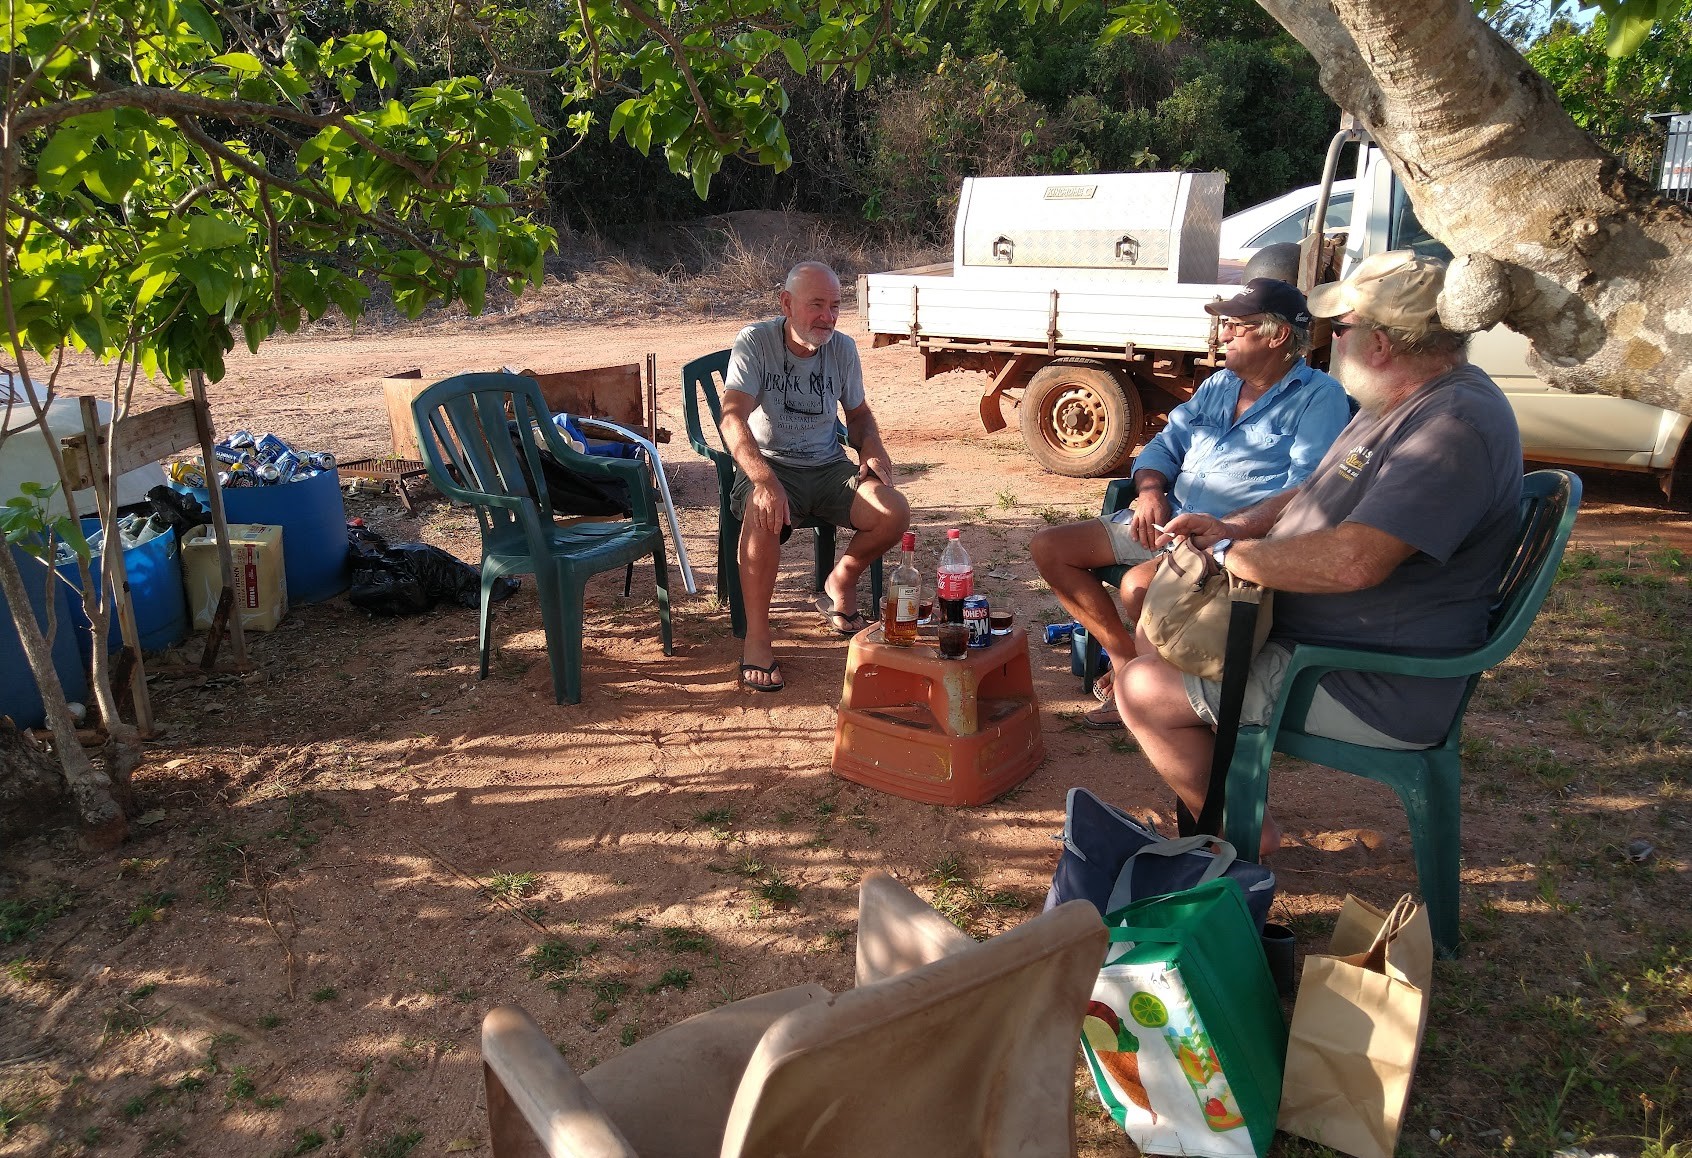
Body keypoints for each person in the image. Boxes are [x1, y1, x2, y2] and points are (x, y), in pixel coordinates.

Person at [1115, 250, 1524, 854]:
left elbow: (1355, 559)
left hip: (1370, 677)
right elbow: (1313, 491)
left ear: (1380, 342)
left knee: (1141, 688)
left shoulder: (1451, 425)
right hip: (1326, 637)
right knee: (1156, 616)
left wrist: (1235, 556)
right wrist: (1235, 524)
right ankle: (1221, 814)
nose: (1331, 342)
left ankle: (1244, 838)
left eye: (1341, 329)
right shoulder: (1400, 399)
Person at [1029, 278, 1350, 728]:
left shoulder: (1319, 397)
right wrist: (1149, 492)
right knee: (1050, 547)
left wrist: (1230, 530)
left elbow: (1306, 489)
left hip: (1221, 539)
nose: (1224, 336)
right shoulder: (1219, 385)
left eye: (1238, 326)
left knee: (1137, 587)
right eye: (1226, 325)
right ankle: (1124, 664)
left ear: (1277, 336)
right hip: (1166, 518)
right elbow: (1164, 445)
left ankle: (1158, 698)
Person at [719, 261, 911, 692]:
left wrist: (872, 447)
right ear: (786, 303)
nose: (827, 316)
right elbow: (732, 419)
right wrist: (764, 480)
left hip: (827, 468)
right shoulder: (755, 342)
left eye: (835, 306)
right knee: (762, 508)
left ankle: (841, 577)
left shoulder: (842, 349)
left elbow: (858, 416)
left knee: (893, 511)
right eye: (816, 305)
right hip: (771, 465)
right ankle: (756, 637)